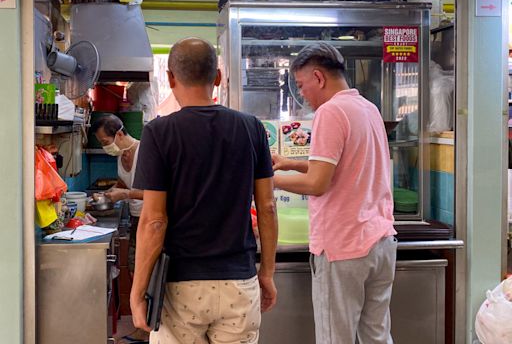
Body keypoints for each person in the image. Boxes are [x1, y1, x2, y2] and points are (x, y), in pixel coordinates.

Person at [130, 37, 278, 344]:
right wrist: (267, 273)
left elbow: (155, 221)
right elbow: (267, 207)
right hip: (239, 281)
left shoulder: (158, 133)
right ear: (219, 77)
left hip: (181, 287)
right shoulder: (252, 128)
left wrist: (137, 290)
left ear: (170, 78)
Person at [273, 42, 397, 344]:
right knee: (376, 335)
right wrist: (290, 163)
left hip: (344, 247)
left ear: (319, 77)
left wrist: (269, 180)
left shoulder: (330, 112)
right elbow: (342, 168)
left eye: (301, 86)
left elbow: (318, 184)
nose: (301, 94)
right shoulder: (368, 109)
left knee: (335, 338)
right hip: (381, 242)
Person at [91, 114, 144, 275]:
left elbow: (160, 194)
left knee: (144, 271)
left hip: (152, 219)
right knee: (134, 268)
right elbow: (123, 183)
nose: (105, 147)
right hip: (137, 219)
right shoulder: (120, 154)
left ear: (119, 134)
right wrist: (106, 194)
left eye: (105, 142)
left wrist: (125, 195)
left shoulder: (145, 152)